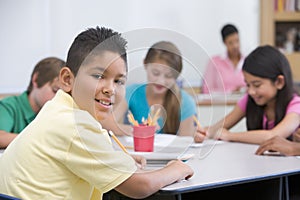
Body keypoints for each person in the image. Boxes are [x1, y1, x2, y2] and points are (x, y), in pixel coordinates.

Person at [0, 27, 193, 199]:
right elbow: (139, 187)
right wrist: (174, 169)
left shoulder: (59, 109)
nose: (111, 89)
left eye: (119, 81)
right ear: (67, 79)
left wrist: (113, 158)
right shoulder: (75, 126)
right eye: (99, 76)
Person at [194, 45, 300, 144]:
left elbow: (273, 136)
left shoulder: (296, 105)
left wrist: (231, 136)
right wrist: (205, 133)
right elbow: (218, 128)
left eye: (257, 85)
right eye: (248, 85)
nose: (251, 91)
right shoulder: (249, 100)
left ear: (279, 82)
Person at [101, 41, 197, 136]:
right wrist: (138, 130)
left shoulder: (186, 102)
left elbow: (186, 142)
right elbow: (106, 123)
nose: (161, 81)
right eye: (155, 73)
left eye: (168, 76)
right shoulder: (132, 92)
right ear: (145, 64)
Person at [0, 57, 65, 148]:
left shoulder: (57, 113)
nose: (58, 98)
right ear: (36, 79)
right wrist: (41, 140)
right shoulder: (8, 106)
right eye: (55, 90)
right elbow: (1, 137)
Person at [201, 24, 246, 94]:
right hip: (222, 103)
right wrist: (230, 92)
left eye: (237, 41)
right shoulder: (214, 62)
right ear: (224, 43)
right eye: (230, 43)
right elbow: (206, 90)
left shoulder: (248, 61)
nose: (235, 46)